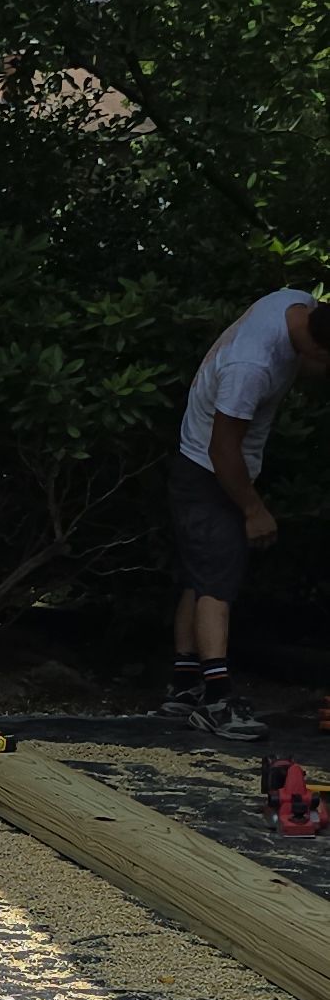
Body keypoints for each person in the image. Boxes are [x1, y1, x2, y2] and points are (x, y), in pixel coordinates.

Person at [167, 285, 330, 740]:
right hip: (209, 468)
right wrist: (253, 509)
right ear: (313, 347)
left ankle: (182, 688)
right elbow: (224, 450)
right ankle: (216, 701)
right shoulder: (250, 367)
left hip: (213, 464)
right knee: (218, 580)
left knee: (201, 576)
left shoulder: (295, 302)